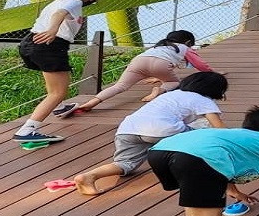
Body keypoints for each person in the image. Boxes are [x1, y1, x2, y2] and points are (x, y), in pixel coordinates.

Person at [73, 71, 229, 196]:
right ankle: (186, 170)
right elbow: (219, 128)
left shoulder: (170, 95)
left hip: (128, 128)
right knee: (200, 132)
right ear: (216, 90)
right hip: (161, 129)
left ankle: (89, 176)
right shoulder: (204, 100)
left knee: (125, 163)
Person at [12, 0, 105, 145]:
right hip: (49, 44)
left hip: (30, 42)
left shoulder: (59, 0)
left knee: (54, 88)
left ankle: (60, 107)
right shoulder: (74, 2)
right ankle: (27, 130)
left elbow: (59, 12)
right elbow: (60, 14)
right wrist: (53, 29)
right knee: (58, 92)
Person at [52, 29, 212, 116]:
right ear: (188, 42)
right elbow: (199, 64)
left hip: (138, 61)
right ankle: (159, 90)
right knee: (173, 82)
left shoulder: (157, 47)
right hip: (162, 66)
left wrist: (154, 76)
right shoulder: (184, 48)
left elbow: (151, 61)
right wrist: (212, 73)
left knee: (120, 86)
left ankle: (92, 102)